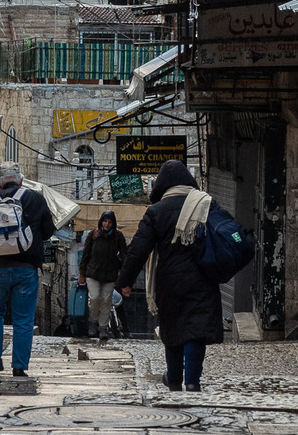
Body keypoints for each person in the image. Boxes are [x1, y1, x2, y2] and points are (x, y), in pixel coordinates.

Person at [118, 161, 221, 392]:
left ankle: (174, 378)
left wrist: (125, 281)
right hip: (203, 277)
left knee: (173, 328)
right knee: (196, 330)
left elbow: (138, 249)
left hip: (170, 280)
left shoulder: (156, 211)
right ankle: (193, 381)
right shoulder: (206, 204)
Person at [0, 161, 56, 378]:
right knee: (24, 319)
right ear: (21, 180)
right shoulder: (35, 198)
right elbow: (47, 231)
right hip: (26, 269)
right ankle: (19, 367)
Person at [79, 209, 129, 343]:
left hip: (110, 274)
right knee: (95, 298)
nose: (106, 224)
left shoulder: (118, 237)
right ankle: (93, 323)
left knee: (106, 300)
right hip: (93, 273)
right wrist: (82, 274)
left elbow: (124, 255)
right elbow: (86, 254)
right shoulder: (93, 234)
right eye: (105, 221)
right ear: (101, 222)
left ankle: (102, 328)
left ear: (113, 224)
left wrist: (126, 275)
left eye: (109, 222)